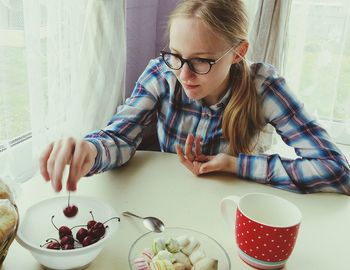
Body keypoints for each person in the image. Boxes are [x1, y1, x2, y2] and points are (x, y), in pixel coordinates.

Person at [39, 0, 350, 195]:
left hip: (234, 206)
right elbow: (119, 138)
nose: (184, 75)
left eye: (202, 61)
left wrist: (235, 165)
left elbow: (335, 169)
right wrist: (90, 150)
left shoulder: (263, 87)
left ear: (238, 52)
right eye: (176, 55)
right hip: (169, 201)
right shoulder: (162, 73)